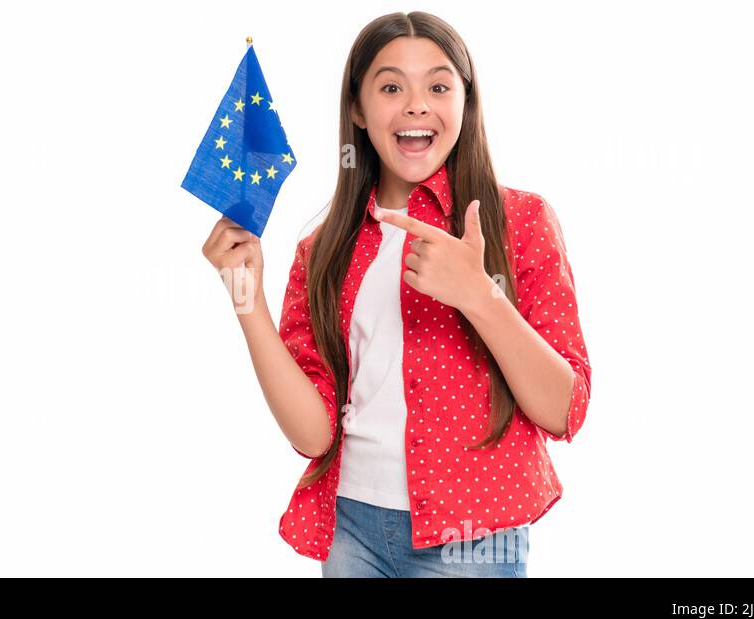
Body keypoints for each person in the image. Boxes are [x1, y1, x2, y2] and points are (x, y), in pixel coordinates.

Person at [200, 11, 591, 577]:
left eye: (438, 85)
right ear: (358, 109)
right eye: (390, 87)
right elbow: (314, 435)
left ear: (465, 100)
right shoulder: (323, 250)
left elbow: (564, 411)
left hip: (473, 538)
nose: (416, 104)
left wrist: (479, 295)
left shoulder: (521, 221)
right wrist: (246, 298)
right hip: (352, 529)